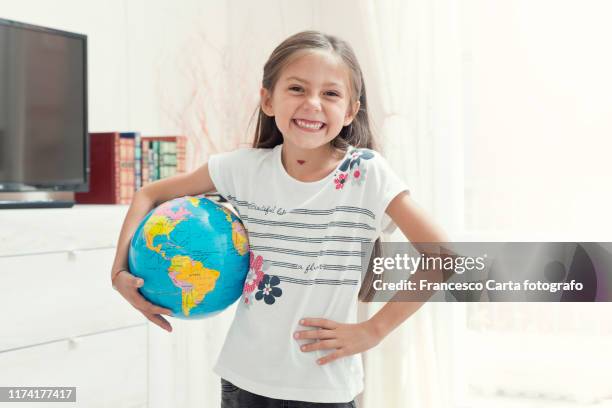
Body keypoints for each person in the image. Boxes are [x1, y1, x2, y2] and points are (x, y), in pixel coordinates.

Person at [110, 30, 449, 408]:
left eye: (331, 94)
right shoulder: (244, 169)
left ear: (351, 111)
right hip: (243, 383)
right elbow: (148, 194)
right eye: (297, 89)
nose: (313, 103)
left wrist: (374, 330)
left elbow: (444, 256)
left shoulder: (366, 174)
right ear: (268, 99)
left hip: (324, 389)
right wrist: (118, 273)